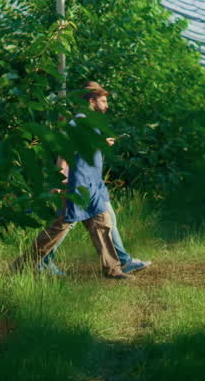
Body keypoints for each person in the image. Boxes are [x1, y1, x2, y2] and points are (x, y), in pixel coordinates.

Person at [12, 82, 139, 280]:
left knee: (103, 224)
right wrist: (60, 179)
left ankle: (113, 270)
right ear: (91, 101)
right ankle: (22, 266)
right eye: (103, 101)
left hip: (91, 185)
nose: (106, 106)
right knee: (58, 228)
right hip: (78, 185)